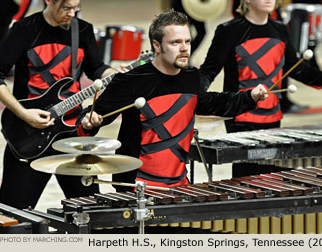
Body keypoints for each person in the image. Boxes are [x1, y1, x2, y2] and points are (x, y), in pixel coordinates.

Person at [76, 9, 267, 191]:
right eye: (175, 42)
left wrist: (250, 96)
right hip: (136, 188)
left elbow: (214, 103)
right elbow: (96, 115)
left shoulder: (191, 77)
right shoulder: (131, 80)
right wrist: (88, 122)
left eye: (187, 41)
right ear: (157, 45)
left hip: (179, 185)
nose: (184, 48)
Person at [199, 0, 322, 177]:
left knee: (272, 176)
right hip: (241, 117)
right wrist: (190, 96)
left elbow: (301, 71)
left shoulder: (280, 29)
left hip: (272, 116)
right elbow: (208, 72)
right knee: (247, 178)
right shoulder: (229, 30)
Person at [0, 0, 117, 209]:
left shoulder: (82, 30)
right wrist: (23, 113)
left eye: (76, 7)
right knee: (12, 218)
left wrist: (113, 75)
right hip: (28, 134)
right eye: (66, 8)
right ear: (49, 1)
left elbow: (96, 68)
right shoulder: (24, 29)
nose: (72, 13)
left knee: (90, 212)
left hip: (71, 134)